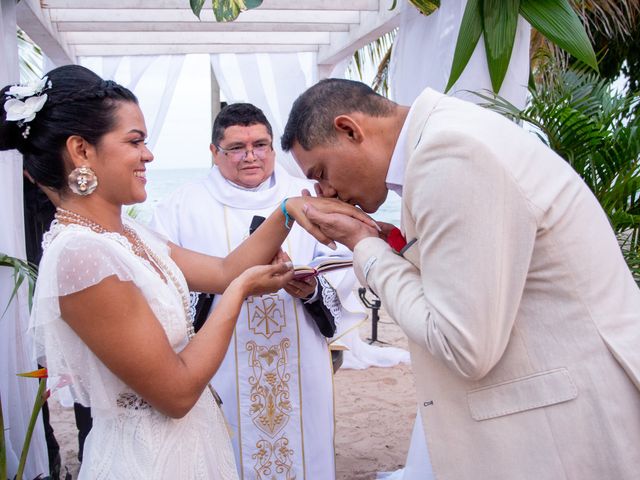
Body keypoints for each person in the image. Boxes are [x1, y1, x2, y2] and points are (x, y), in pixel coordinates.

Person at [0, 66, 372, 479]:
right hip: (147, 459)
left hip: (188, 447)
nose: (149, 154)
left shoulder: (125, 233)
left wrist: (288, 211)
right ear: (81, 151)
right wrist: (241, 291)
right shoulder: (81, 256)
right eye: (135, 141)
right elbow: (175, 393)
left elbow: (224, 268)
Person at [280, 78, 640, 479]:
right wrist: (387, 242)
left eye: (322, 171)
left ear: (350, 129)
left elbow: (463, 345)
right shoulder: (448, 135)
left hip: (567, 424)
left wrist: (365, 247)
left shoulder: (447, 154)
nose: (324, 190)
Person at [150, 102, 352, 479]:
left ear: (273, 148)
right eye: (236, 148)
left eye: (260, 145)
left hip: (299, 352)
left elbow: (340, 266)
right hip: (222, 359)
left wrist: (310, 288)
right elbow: (165, 283)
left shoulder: (310, 197)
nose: (251, 156)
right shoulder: (181, 205)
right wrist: (222, 284)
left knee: (304, 450)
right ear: (214, 153)